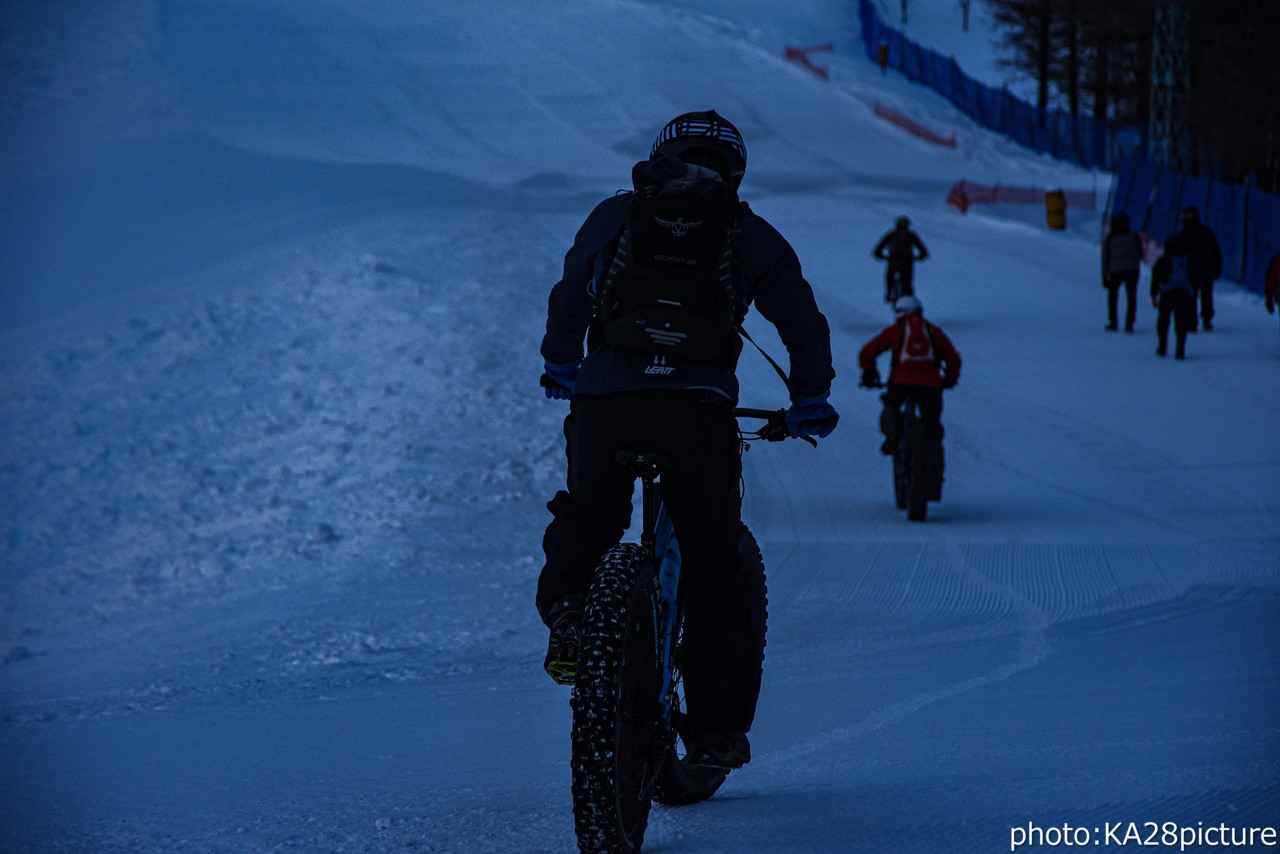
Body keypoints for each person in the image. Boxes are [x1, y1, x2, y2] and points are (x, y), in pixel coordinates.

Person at [537, 110, 838, 769]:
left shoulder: (615, 217)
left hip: (606, 400)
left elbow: (570, 295)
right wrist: (809, 402)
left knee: (589, 514)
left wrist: (563, 367)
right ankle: (714, 732)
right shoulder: (743, 229)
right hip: (696, 411)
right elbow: (803, 322)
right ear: (733, 171)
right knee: (713, 559)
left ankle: (570, 611)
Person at [857, 295, 960, 492]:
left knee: (892, 408)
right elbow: (953, 358)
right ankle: (935, 478)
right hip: (931, 386)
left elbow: (867, 353)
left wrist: (870, 374)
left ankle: (893, 439)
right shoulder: (933, 332)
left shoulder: (896, 331)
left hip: (900, 383)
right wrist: (950, 378)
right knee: (933, 431)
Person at [1171, 206, 1223, 331]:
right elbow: (1216, 252)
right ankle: (1207, 319)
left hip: (1190, 271)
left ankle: (1192, 322)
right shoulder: (1207, 233)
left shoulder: (1182, 235)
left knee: (1191, 296)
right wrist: (1217, 269)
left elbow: (1176, 255)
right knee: (1206, 294)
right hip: (1206, 270)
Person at [1150, 235, 1196, 359]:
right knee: (1181, 323)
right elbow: (1195, 278)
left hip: (1167, 294)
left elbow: (1156, 277)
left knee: (1163, 321)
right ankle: (1180, 348)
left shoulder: (1163, 260)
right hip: (1184, 294)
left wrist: (1153, 294)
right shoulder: (1188, 260)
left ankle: (1162, 346)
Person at [1101, 211, 1144, 332]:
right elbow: (1140, 253)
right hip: (1132, 270)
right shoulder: (1133, 236)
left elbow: (1105, 259)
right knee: (1131, 297)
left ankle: (1113, 321)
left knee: (1113, 296)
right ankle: (1129, 322)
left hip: (1116, 270)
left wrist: (1105, 276)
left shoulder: (1110, 238)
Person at [872, 216, 929, 303]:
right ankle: (909, 300)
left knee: (890, 276)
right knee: (907, 282)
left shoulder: (892, 234)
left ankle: (889, 294)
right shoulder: (911, 235)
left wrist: (881, 256)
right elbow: (923, 251)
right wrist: (919, 257)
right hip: (907, 261)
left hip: (893, 260)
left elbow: (878, 249)